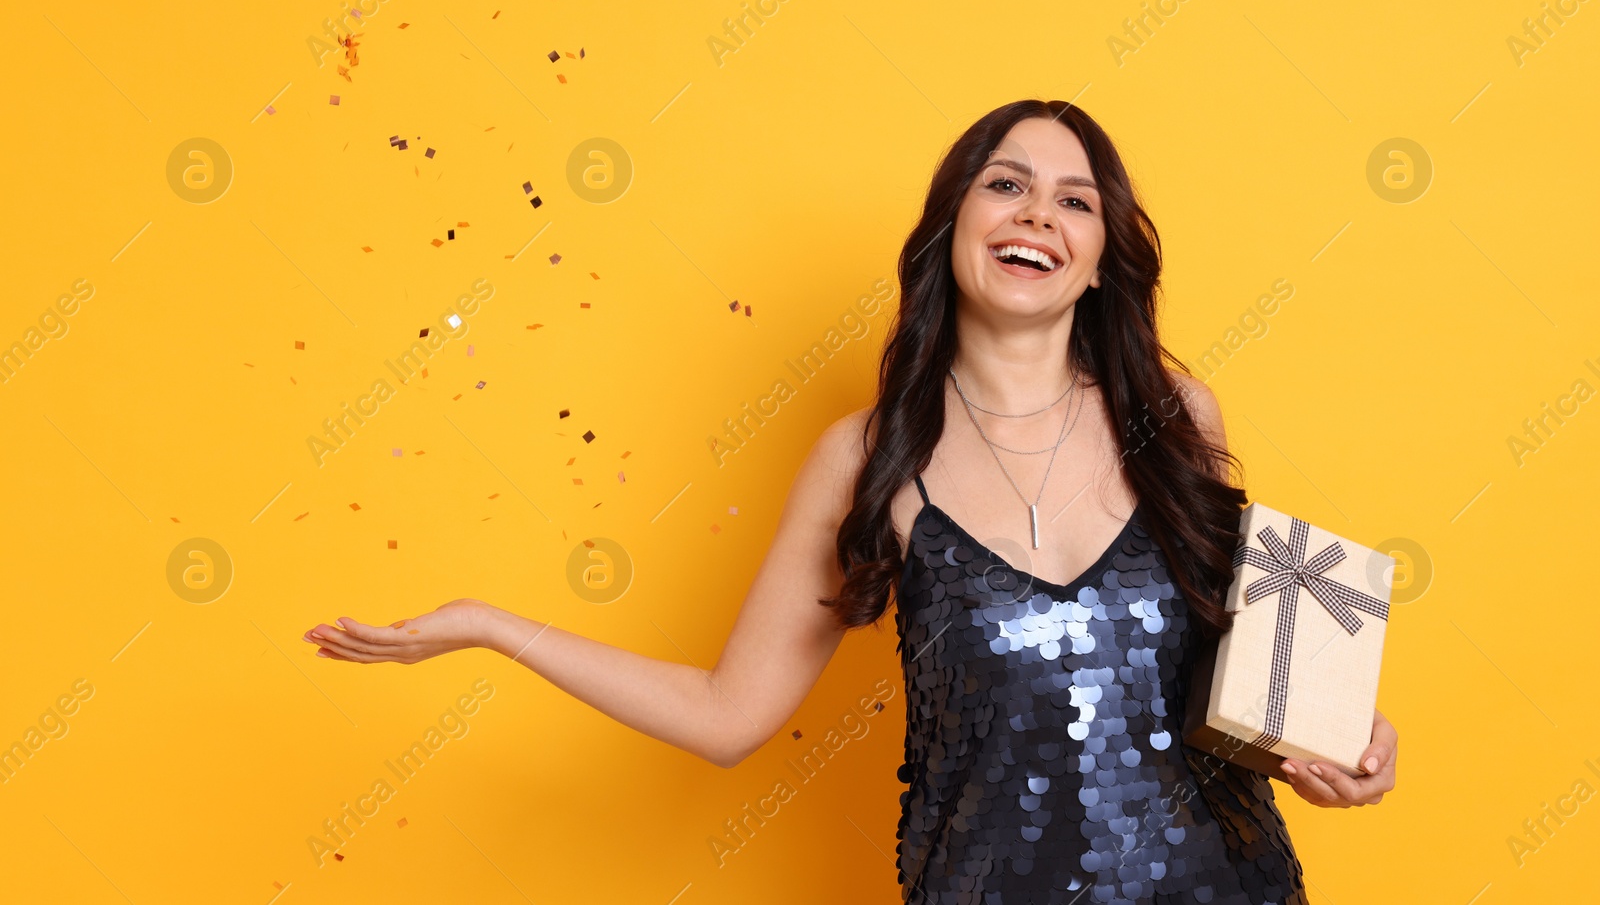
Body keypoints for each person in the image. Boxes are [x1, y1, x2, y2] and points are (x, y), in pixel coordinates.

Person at [305, 99, 1398, 902]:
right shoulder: (865, 458)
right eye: (1005, 183)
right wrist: (493, 627)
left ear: (1105, 256)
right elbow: (727, 716)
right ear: (952, 224)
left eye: (1076, 199)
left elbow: (1263, 678)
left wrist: (1349, 747)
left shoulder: (1176, 415)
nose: (1038, 215)